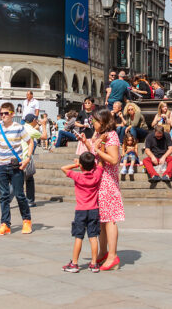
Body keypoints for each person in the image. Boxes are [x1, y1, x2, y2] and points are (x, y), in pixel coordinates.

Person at [79, 109, 123, 271]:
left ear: (104, 122)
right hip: (98, 180)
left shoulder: (111, 136)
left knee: (110, 218)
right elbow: (94, 155)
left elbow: (113, 159)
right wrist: (87, 144)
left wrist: (97, 148)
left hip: (108, 182)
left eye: (95, 121)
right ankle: (104, 252)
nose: (93, 124)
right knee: (102, 219)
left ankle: (113, 255)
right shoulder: (98, 136)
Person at [0, 102, 40, 236]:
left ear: (12, 114)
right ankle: (5, 224)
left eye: (6, 113)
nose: (3, 116)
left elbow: (30, 142)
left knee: (19, 194)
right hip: (0, 165)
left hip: (15, 165)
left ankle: (26, 220)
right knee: (4, 196)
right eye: (1, 113)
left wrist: (27, 158)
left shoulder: (19, 127)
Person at [61, 151, 103, 272]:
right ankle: (94, 264)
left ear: (81, 165)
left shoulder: (77, 176)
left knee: (78, 237)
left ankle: (74, 264)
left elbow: (63, 168)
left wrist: (76, 165)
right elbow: (100, 165)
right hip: (94, 209)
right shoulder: (96, 175)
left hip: (81, 210)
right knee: (93, 237)